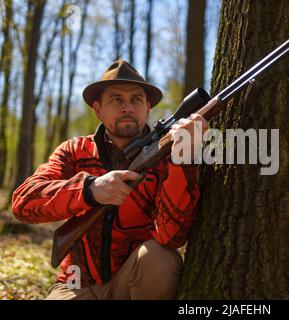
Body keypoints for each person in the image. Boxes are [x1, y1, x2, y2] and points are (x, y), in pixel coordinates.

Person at [11, 59, 208, 300]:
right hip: (74, 285)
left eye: (136, 100)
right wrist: (90, 190)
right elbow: (23, 203)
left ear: (147, 108)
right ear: (98, 110)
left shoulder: (169, 155)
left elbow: (172, 237)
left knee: (160, 258)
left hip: (133, 282)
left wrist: (182, 159)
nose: (127, 107)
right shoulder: (74, 151)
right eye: (116, 100)